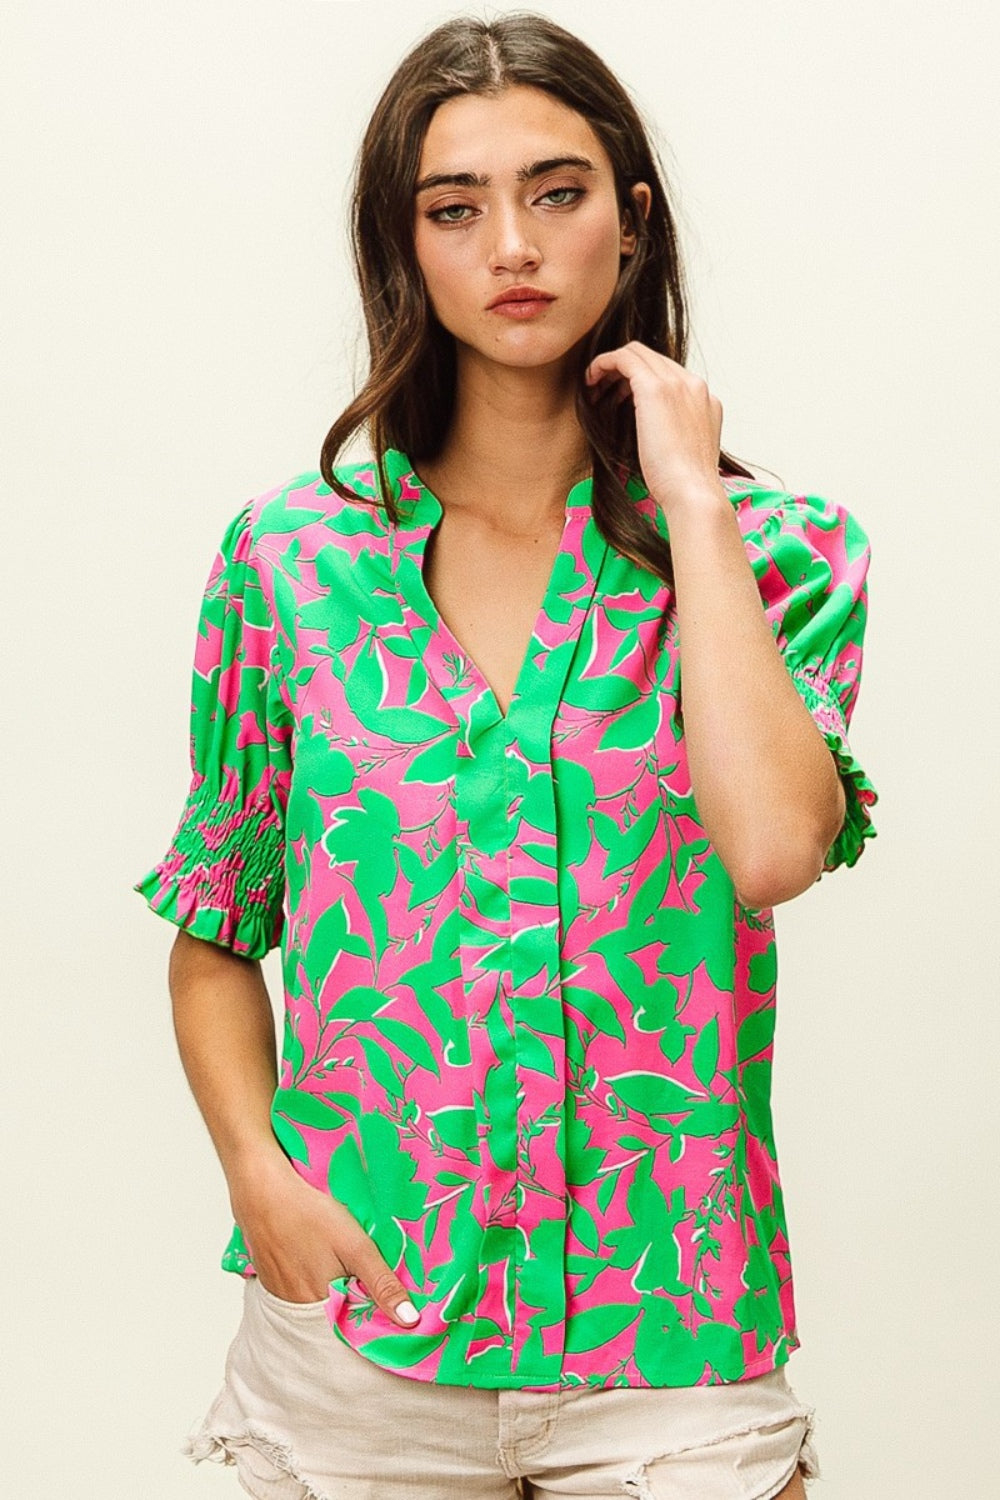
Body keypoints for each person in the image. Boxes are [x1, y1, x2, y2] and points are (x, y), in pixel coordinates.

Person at [135, 12, 878, 1499]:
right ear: (403, 246)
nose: (512, 246)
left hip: (670, 1340)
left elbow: (775, 847)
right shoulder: (291, 565)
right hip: (363, 1340)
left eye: (557, 192)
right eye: (454, 209)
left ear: (631, 221)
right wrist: (258, 1177)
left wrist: (694, 498)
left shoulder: (779, 552)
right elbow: (218, 924)